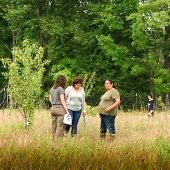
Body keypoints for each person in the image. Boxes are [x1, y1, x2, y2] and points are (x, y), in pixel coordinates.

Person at [49, 75, 70, 139]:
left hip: (53, 109)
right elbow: (62, 100)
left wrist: (53, 104)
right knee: (60, 126)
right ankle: (57, 141)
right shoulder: (61, 89)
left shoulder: (52, 88)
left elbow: (50, 98)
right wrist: (67, 111)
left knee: (54, 125)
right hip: (60, 109)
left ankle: (52, 139)